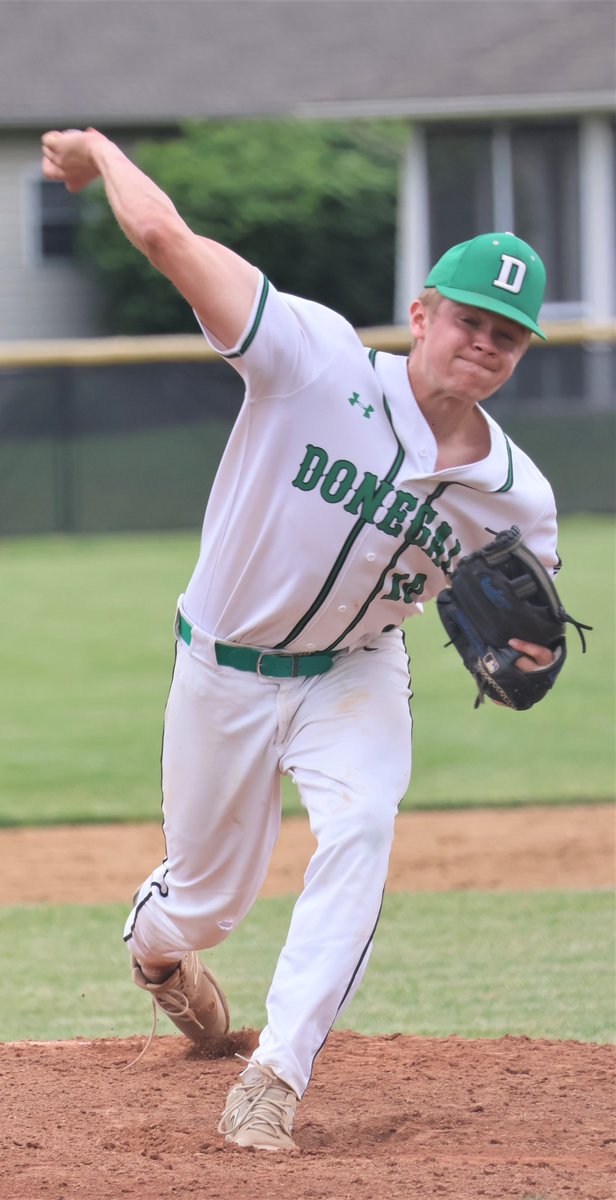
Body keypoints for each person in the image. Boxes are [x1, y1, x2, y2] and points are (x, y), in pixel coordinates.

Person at [42, 127, 559, 1152]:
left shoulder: (515, 497)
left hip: (356, 675)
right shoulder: (310, 358)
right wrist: (101, 154)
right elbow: (164, 235)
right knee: (203, 904)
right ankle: (157, 958)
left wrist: (528, 657)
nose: (484, 344)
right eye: (468, 320)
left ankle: (275, 1076)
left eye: (508, 334)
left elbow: (530, 628)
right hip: (220, 667)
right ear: (421, 314)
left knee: (362, 826)